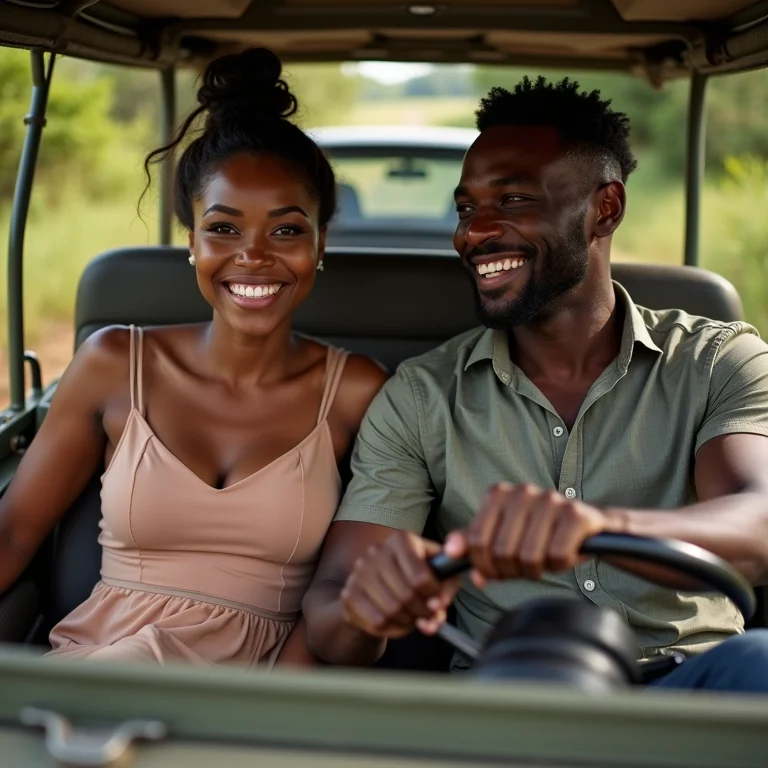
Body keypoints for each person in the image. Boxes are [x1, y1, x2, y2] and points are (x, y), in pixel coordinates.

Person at [302, 77, 768, 692]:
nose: (475, 232)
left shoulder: (719, 359)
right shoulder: (422, 395)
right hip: (508, 692)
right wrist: (366, 606)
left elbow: (758, 523)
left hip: (690, 684)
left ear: (607, 208)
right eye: (466, 209)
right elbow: (332, 613)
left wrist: (593, 529)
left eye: (514, 199)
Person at [0, 47, 387, 668]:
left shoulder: (357, 391)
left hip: (253, 695)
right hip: (99, 664)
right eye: (224, 229)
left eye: (286, 230)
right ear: (192, 242)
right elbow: (14, 533)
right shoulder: (114, 364)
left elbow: (349, 592)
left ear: (319, 244)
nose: (253, 256)